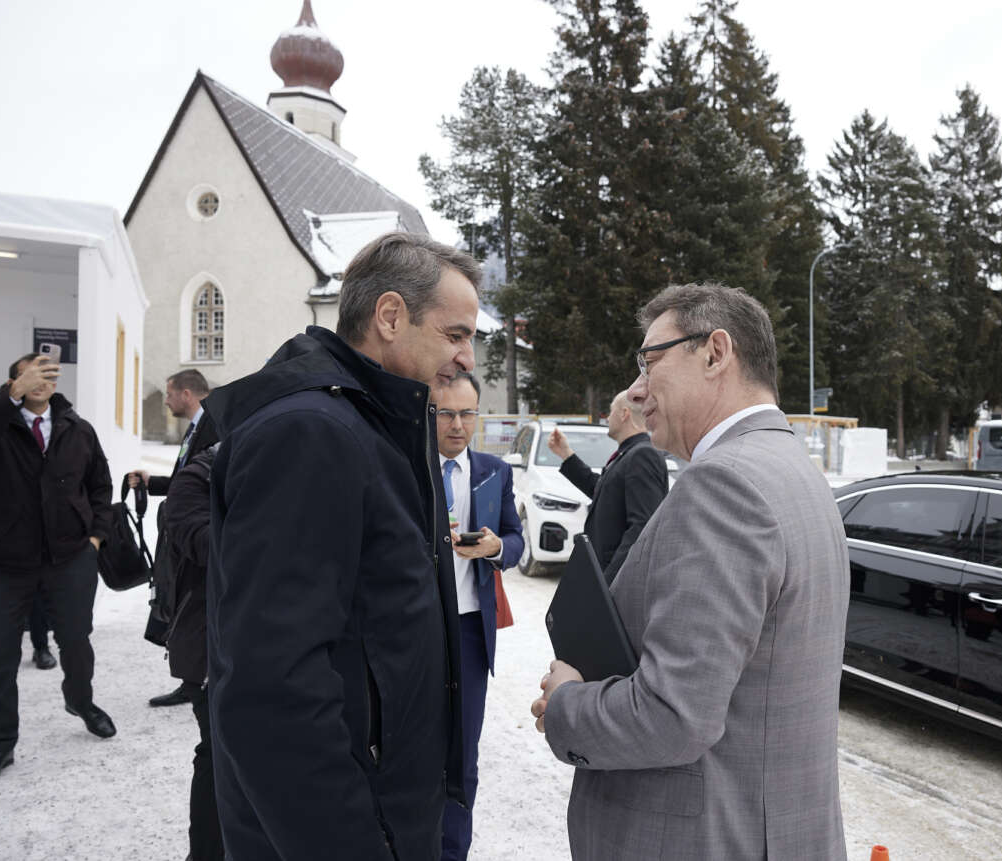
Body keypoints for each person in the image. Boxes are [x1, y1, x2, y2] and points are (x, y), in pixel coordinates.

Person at [531, 283, 850, 859]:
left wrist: (567, 704)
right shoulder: (791, 469)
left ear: (715, 353)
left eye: (650, 361)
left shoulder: (723, 483)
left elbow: (673, 715)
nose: (636, 390)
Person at [203, 232, 478, 860]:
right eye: (455, 334)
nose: (467, 358)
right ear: (390, 316)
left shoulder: (382, 424)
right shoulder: (311, 433)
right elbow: (273, 687)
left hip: (391, 810)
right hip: (348, 828)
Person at [0, 353, 116, 787]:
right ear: (13, 381)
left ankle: (81, 701)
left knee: (76, 641)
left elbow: (100, 485)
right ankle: (0, 743)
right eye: (30, 374)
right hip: (2, 562)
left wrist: (95, 538)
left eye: (49, 374)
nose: (41, 380)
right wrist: (8, 397)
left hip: (70, 556)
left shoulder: (78, 428)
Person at [434, 371, 524, 861]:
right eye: (446, 413)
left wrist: (495, 549)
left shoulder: (495, 471)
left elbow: (515, 539)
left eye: (467, 414)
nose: (457, 425)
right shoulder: (408, 468)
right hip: (420, 629)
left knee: (463, 753)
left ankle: (453, 851)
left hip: (470, 632)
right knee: (414, 747)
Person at [128, 369, 218, 708]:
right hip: (187, 537)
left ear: (186, 394)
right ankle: (191, 679)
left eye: (169, 394)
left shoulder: (214, 426)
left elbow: (208, 485)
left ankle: (198, 682)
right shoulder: (196, 427)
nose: (165, 401)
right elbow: (187, 480)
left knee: (196, 611)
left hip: (201, 540)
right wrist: (152, 483)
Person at [162, 444, 223, 860]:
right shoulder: (199, 475)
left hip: (289, 645)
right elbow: (201, 541)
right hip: (210, 645)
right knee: (218, 754)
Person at [547, 390, 668, 584]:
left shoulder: (642, 455)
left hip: (617, 581)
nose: (608, 418)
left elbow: (642, 527)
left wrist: (609, 580)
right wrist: (566, 454)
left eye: (611, 411)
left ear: (624, 414)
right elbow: (603, 491)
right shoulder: (629, 454)